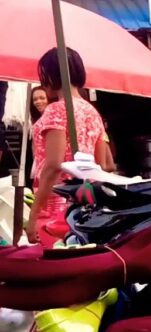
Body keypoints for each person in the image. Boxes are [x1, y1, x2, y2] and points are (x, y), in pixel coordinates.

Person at [26, 47, 108, 245]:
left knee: (51, 266)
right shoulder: (92, 111)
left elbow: (54, 165)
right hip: (84, 204)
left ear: (53, 74)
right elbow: (104, 165)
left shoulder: (55, 111)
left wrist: (33, 216)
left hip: (54, 206)